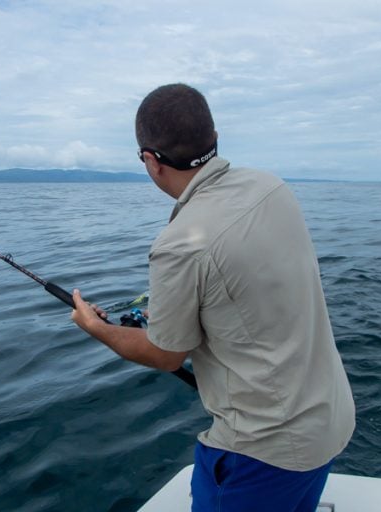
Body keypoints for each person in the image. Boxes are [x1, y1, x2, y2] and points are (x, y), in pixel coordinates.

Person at [70, 83, 355, 512]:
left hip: (262, 456)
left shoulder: (180, 244)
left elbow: (165, 355)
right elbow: (248, 284)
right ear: (215, 138)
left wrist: (97, 327)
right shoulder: (271, 187)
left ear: (150, 159)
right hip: (329, 420)